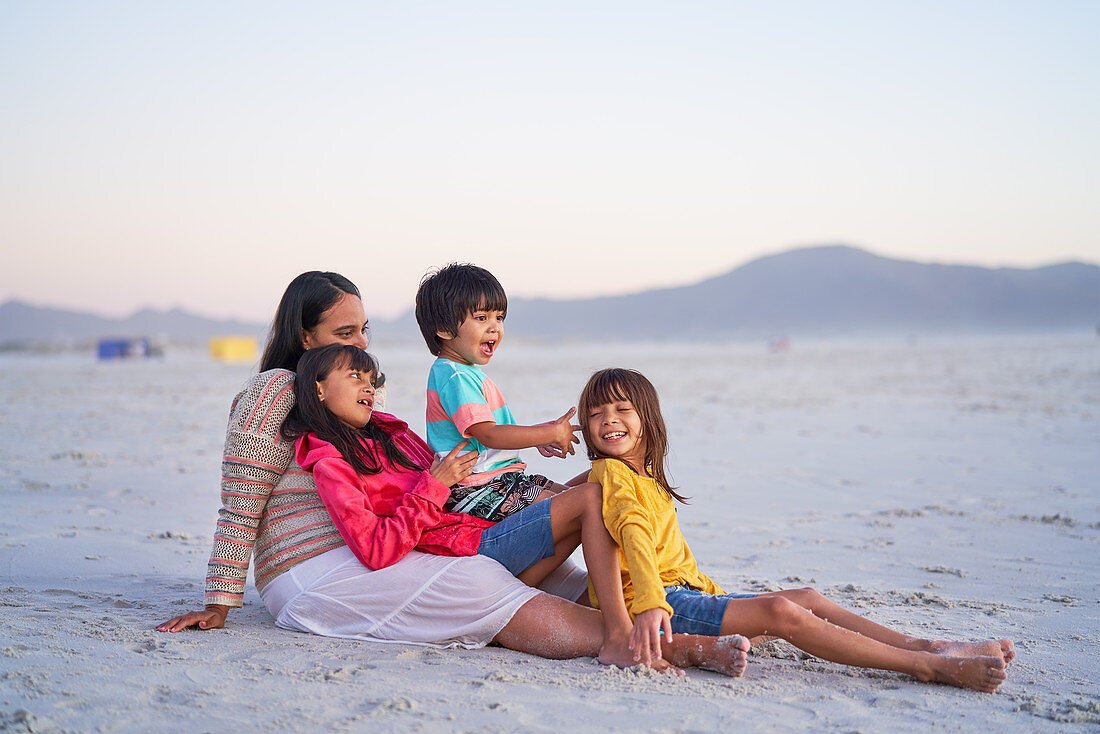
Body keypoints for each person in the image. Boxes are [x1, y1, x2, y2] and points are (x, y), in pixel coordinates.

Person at [156, 271, 749, 676]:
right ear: (304, 337)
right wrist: (220, 601)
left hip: (390, 546)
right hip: (317, 569)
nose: (362, 346)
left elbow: (436, 483)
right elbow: (241, 501)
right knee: (480, 585)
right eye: (344, 334)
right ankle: (677, 648)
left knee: (575, 572)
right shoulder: (271, 393)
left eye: (365, 332)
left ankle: (737, 617)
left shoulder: (362, 406)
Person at [576, 367, 1015, 693]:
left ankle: (927, 645)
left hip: (687, 592)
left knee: (803, 598)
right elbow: (632, 533)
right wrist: (653, 604)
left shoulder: (647, 477)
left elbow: (671, 554)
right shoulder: (613, 473)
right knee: (782, 614)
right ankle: (923, 665)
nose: (609, 420)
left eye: (622, 409)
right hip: (661, 604)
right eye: (596, 414)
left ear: (647, 417)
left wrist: (718, 596)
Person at [285, 342, 679, 670]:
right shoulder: (331, 463)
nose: (369, 388)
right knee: (593, 498)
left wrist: (518, 451)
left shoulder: (394, 433)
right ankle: (616, 635)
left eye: (372, 380)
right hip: (464, 549)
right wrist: (436, 484)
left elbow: (468, 468)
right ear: (318, 389)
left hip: (476, 526)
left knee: (600, 480)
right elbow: (376, 548)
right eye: (355, 377)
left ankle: (662, 587)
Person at [414, 263, 578, 522]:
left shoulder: (462, 371)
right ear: (444, 329)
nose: (494, 327)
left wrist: (536, 438)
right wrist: (551, 432)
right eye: (481, 318)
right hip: (478, 489)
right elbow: (489, 434)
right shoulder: (455, 376)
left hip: (500, 480)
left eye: (499, 318)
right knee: (585, 503)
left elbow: (488, 435)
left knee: (582, 493)